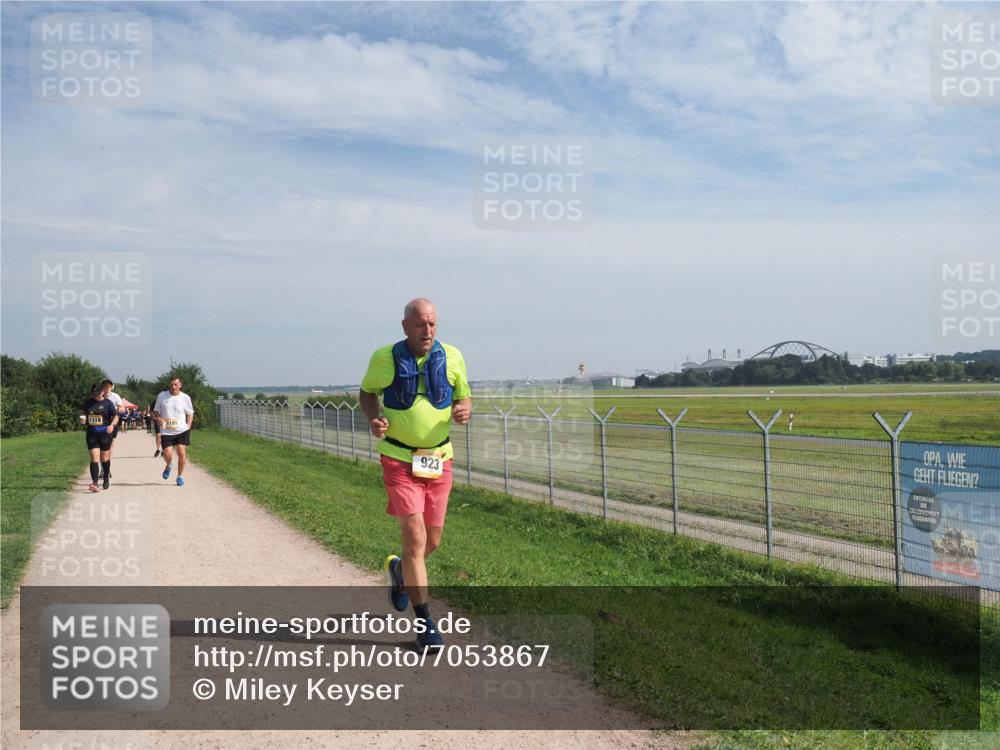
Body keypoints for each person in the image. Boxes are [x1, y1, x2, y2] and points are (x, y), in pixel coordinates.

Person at [359, 298, 472, 651]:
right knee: (414, 537)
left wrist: (464, 409)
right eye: (421, 324)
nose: (428, 331)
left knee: (432, 541)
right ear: (405, 326)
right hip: (398, 457)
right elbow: (366, 394)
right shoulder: (383, 358)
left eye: (433, 324)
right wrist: (373, 419)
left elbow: (464, 398)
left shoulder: (453, 356)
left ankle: (400, 573)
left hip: (439, 459)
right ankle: (426, 624)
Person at [153, 376, 195, 486]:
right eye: (171, 384)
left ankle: (180, 476)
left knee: (181, 452)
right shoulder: (162, 396)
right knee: (167, 454)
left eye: (176, 385)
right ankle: (169, 464)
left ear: (180, 385)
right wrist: (158, 418)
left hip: (182, 430)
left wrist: (188, 426)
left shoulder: (185, 397)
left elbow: (190, 413)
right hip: (167, 431)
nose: (173, 387)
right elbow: (156, 412)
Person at [82, 383, 119, 492]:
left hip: (105, 434)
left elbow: (116, 416)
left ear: (102, 392)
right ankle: (95, 483)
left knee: (105, 458)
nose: (96, 395)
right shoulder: (88, 403)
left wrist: (112, 425)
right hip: (92, 434)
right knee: (94, 458)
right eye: (94, 393)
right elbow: (83, 414)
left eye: (98, 393)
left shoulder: (108, 403)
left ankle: (106, 476)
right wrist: (83, 419)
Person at [100, 379, 124, 479]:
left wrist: (117, 410)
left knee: (109, 448)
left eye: (109, 385)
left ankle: (106, 469)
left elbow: (123, 408)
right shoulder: (99, 396)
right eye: (105, 385)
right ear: (102, 387)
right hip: (100, 425)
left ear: (111, 387)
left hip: (112, 424)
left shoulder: (115, 396)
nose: (107, 387)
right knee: (101, 448)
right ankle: (103, 469)